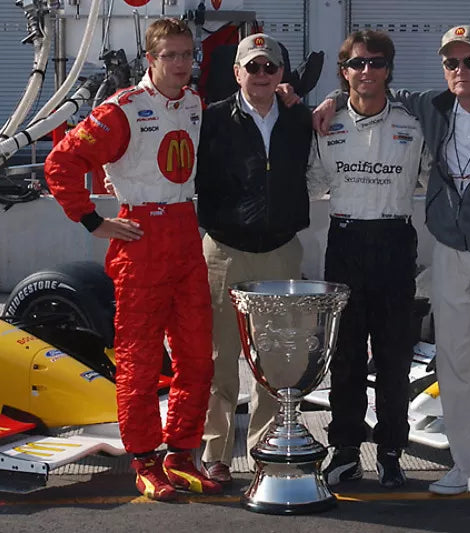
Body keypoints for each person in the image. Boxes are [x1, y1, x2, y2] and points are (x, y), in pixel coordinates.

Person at [314, 24, 470, 508]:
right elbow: (365, 80)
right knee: (453, 362)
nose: (461, 71)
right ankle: (469, 464)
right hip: (449, 251)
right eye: (452, 62)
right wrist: (329, 97)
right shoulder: (432, 106)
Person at [44, 17, 221, 501]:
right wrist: (92, 221)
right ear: (151, 59)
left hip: (186, 234)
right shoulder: (123, 107)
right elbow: (60, 162)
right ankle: (144, 458)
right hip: (141, 237)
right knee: (139, 362)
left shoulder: (195, 104)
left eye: (188, 55)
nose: (182, 64)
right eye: (172, 55)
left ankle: (181, 453)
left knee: (196, 359)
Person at [306, 29, 424, 489]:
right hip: (346, 240)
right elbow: (311, 183)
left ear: (389, 69)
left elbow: (441, 175)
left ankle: (392, 450)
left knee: (395, 357)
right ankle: (346, 448)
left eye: (376, 63)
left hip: (395, 241)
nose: (367, 71)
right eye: (357, 64)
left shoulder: (413, 122)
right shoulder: (326, 122)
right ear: (344, 71)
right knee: (347, 357)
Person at [196, 33, 313, 483]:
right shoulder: (210, 120)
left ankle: (267, 449)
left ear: (281, 74)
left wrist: (309, 104)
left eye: (270, 68)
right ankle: (216, 454)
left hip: (281, 252)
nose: (261, 75)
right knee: (220, 358)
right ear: (236, 73)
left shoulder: (300, 117)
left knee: (276, 360)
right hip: (225, 252)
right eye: (253, 67)